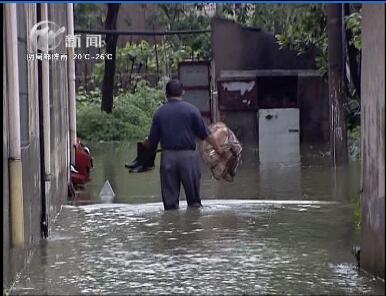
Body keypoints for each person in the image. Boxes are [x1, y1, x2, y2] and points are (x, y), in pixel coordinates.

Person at [143, 79, 224, 210]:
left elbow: (152, 142)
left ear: (166, 94)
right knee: (194, 203)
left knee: (170, 206)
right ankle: (192, 226)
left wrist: (144, 145)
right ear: (183, 92)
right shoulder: (192, 110)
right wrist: (219, 149)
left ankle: (171, 227)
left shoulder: (159, 113)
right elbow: (206, 135)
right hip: (189, 158)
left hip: (168, 157)